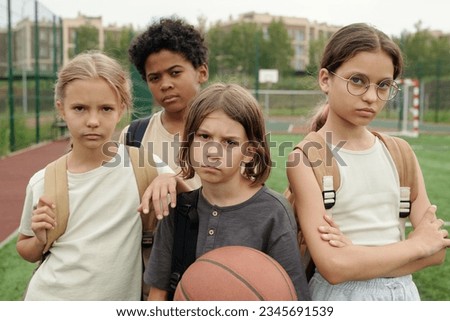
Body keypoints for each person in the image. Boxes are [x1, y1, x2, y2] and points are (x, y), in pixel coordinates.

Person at [286, 23, 449, 300]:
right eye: (357, 81)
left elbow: (436, 253)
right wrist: (415, 245)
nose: (372, 97)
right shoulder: (308, 158)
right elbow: (334, 268)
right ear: (325, 79)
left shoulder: (401, 153)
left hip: (404, 296)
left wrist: (357, 257)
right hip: (342, 297)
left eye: (383, 85)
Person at [16, 52, 162, 300]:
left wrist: (171, 179)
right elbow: (25, 247)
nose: (93, 121)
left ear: (121, 110)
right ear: (61, 109)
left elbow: (191, 190)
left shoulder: (145, 166)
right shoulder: (43, 181)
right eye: (80, 108)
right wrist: (41, 238)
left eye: (106, 108)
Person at [145, 83, 311, 301]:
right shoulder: (177, 209)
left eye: (230, 142)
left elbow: (293, 298)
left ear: (250, 152)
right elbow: (158, 293)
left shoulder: (273, 212)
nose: (213, 152)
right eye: (204, 137)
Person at [120, 18, 209, 218]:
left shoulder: (230, 133)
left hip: (212, 245)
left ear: (201, 73)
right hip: (151, 247)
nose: (165, 84)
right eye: (155, 78)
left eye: (175, 73)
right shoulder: (133, 136)